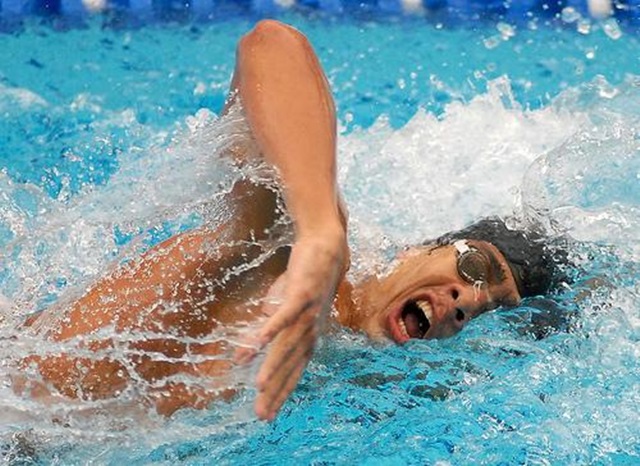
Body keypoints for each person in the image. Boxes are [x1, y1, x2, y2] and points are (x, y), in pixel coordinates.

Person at [14, 20, 558, 421]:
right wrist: (321, 231)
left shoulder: (358, 366)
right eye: (475, 268)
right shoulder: (292, 255)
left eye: (489, 311)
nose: (469, 302)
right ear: (419, 248)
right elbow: (271, 45)